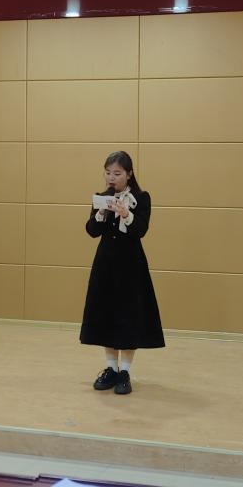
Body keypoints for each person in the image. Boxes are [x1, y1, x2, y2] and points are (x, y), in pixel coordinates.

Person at [80, 150, 164, 395]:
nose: (111, 178)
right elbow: (91, 231)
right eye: (107, 173)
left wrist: (126, 214)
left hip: (131, 266)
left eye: (117, 173)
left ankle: (125, 371)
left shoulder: (141, 198)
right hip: (105, 264)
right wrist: (101, 212)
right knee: (106, 313)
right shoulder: (101, 198)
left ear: (129, 174)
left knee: (129, 316)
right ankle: (111, 368)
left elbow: (141, 230)